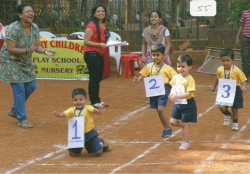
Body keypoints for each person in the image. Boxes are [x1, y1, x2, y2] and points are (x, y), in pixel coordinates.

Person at [0, 3, 55, 128]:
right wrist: (27, 50)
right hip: (10, 61)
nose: (31, 13)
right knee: (19, 89)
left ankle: (14, 109)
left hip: (24, 60)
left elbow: (37, 46)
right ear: (20, 15)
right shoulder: (13, 29)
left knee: (31, 86)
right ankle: (22, 118)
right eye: (27, 11)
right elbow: (10, 49)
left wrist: (45, 51)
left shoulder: (34, 27)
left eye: (32, 11)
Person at [133, 44, 177, 137]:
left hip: (163, 89)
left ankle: (168, 128)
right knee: (158, 109)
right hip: (153, 91)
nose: (155, 57)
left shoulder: (167, 68)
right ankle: (166, 128)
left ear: (163, 56)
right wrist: (138, 79)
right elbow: (143, 75)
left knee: (160, 109)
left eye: (158, 55)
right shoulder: (149, 66)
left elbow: (175, 78)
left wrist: (174, 89)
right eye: (153, 55)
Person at [53, 88, 109, 156]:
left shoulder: (88, 107)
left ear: (86, 100)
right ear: (72, 100)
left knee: (98, 152)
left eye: (81, 99)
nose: (78, 102)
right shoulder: (71, 110)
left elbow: (94, 110)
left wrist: (98, 111)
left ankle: (100, 142)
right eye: (75, 100)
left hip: (90, 134)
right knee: (72, 153)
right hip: (77, 136)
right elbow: (65, 113)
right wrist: (59, 115)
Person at [211, 48, 247, 131]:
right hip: (224, 90)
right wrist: (214, 86)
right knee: (220, 106)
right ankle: (227, 114)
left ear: (232, 60)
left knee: (234, 109)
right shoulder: (220, 69)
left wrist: (243, 86)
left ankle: (235, 123)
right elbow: (218, 78)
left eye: (228, 60)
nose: (225, 63)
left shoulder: (237, 70)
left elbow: (244, 80)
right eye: (223, 61)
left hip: (236, 90)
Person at [169, 54, 197, 150]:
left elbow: (189, 93)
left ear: (189, 67)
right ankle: (185, 125)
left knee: (184, 123)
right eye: (178, 66)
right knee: (172, 122)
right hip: (177, 103)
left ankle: (185, 142)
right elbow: (173, 87)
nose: (180, 69)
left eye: (183, 67)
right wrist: (171, 94)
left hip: (187, 104)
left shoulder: (190, 79)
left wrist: (177, 96)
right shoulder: (176, 77)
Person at [84, 4, 109, 109]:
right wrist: (99, 45)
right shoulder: (92, 26)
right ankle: (94, 101)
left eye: (102, 11)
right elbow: (86, 41)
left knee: (98, 78)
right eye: (98, 11)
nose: (101, 13)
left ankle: (97, 100)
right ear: (94, 14)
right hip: (92, 55)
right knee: (94, 78)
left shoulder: (104, 25)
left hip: (99, 54)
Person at [236, 5, 250, 78]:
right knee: (245, 57)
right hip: (246, 39)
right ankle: (245, 77)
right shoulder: (245, 13)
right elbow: (241, 26)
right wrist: (237, 37)